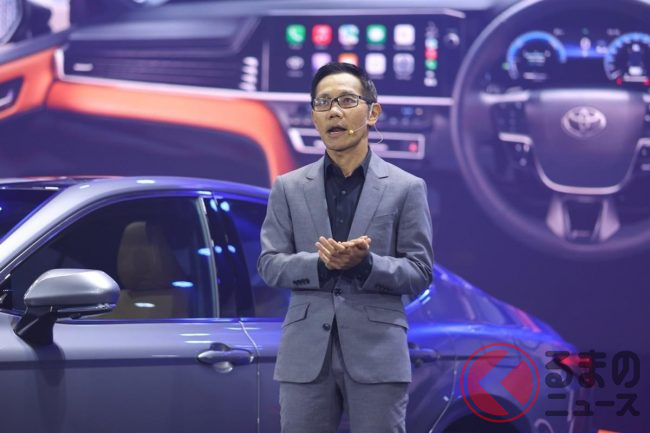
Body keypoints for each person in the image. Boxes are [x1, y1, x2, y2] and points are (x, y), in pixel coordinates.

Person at [257, 62, 433, 433]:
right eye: (323, 103)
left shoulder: (406, 187)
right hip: (306, 355)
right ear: (314, 117)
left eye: (347, 100)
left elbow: (419, 270)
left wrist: (365, 264)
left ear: (373, 112)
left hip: (377, 353)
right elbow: (270, 264)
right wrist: (321, 264)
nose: (334, 111)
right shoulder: (288, 187)